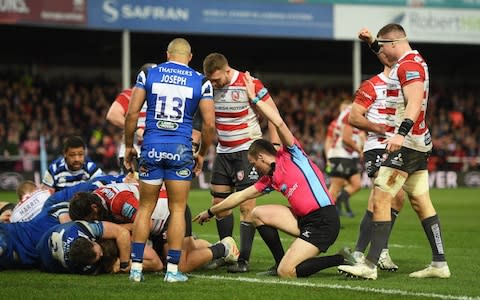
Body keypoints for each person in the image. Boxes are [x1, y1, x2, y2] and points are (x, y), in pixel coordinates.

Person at [194, 71, 346, 279]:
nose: (253, 168)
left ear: (262, 157)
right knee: (257, 214)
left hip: (324, 221)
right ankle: (278, 262)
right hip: (302, 220)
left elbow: (279, 122)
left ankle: (341, 259)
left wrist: (254, 98)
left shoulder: (292, 154)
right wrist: (211, 212)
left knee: (289, 272)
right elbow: (239, 197)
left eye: (253, 163)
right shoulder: (270, 180)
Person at [338, 24, 450, 280]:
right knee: (421, 202)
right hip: (419, 143)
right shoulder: (410, 61)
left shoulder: (408, 66)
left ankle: (369, 263)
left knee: (380, 198)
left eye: (383, 47)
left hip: (407, 143)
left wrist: (401, 133)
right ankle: (440, 263)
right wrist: (371, 44)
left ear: (393, 44)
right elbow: (387, 55)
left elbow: (414, 101)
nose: (383, 54)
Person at [124, 38, 215, 282]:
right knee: (176, 209)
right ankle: (173, 271)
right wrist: (203, 153)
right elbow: (209, 124)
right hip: (180, 149)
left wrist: (127, 146)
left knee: (145, 208)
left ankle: (135, 270)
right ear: (190, 56)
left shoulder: (149, 73)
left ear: (167, 54)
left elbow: (132, 113)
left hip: (151, 146)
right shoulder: (201, 81)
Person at [202, 53, 281, 273]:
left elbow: (272, 112)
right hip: (223, 152)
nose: (214, 84)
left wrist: (274, 144)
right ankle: (227, 252)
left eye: (217, 79)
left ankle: (243, 260)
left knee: (247, 205)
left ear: (227, 70)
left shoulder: (250, 83)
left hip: (247, 150)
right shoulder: (207, 86)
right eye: (211, 80)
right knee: (219, 205)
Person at [68, 184, 240, 274]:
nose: (94, 223)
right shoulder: (98, 197)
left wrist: (116, 229)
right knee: (183, 252)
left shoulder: (119, 201)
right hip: (159, 220)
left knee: (180, 265)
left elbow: (146, 223)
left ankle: (224, 248)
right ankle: (202, 245)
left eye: (91, 219)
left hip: (169, 215)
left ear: (94, 208)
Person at [346, 62, 406, 271]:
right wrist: (377, 128)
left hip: (400, 147)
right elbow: (353, 117)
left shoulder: (406, 85)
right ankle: (363, 252)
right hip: (378, 147)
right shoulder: (372, 84)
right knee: (381, 197)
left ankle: (375, 251)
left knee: (398, 198)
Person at [106, 64, 156, 173]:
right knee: (131, 188)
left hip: (153, 150)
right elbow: (112, 115)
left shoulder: (158, 96)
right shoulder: (130, 94)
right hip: (133, 150)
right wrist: (137, 129)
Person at [36, 220, 131, 274]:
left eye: (99, 251)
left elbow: (120, 231)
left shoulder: (81, 228)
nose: (102, 254)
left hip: (46, 238)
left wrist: (123, 263)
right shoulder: (77, 266)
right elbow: (109, 267)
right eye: (98, 256)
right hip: (45, 260)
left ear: (90, 240)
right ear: (87, 263)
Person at [326, 101, 363, 218]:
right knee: (335, 188)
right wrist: (360, 150)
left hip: (348, 156)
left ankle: (341, 200)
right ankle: (327, 217)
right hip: (340, 154)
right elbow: (346, 139)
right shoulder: (349, 115)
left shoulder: (350, 115)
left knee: (356, 184)